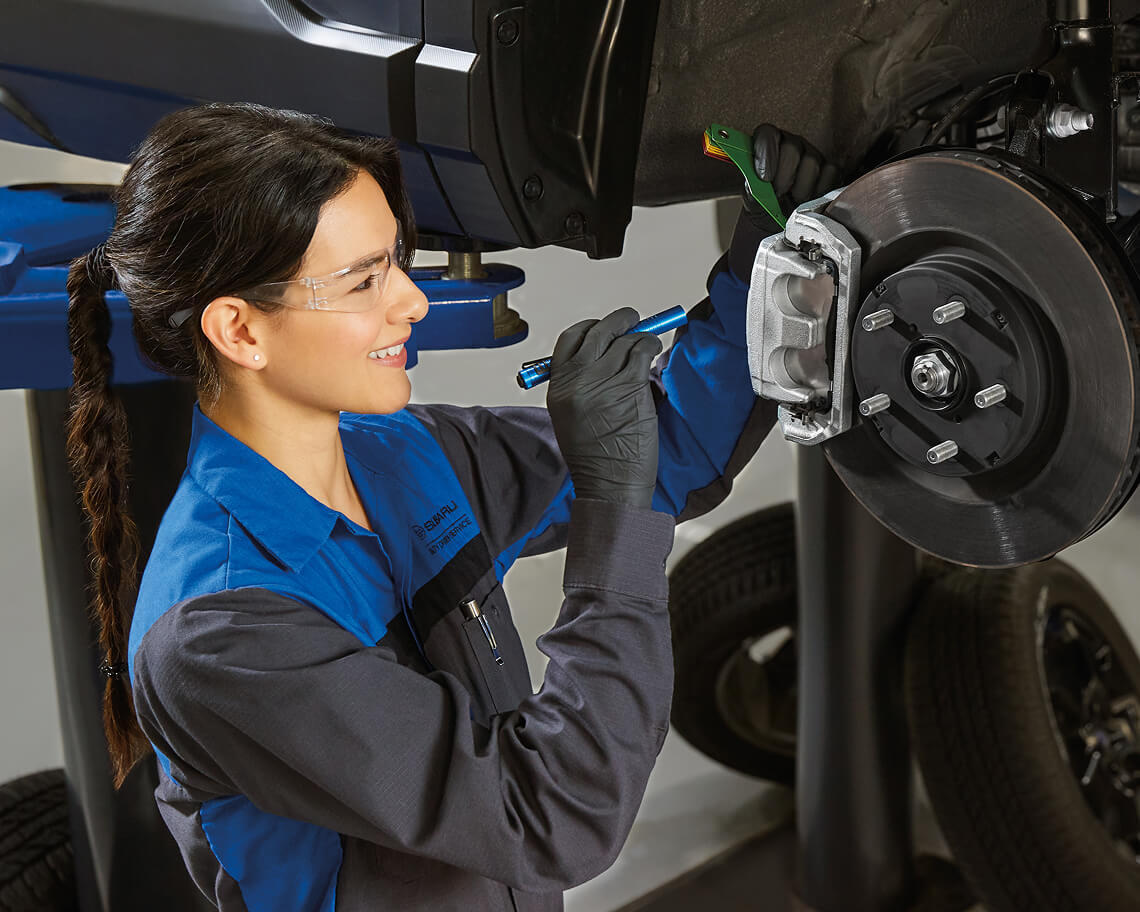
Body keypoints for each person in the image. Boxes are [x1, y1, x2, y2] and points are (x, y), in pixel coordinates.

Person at [64, 103, 838, 911]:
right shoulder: (221, 637)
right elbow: (549, 817)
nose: (412, 302)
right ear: (241, 331)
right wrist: (611, 518)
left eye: (397, 261)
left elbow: (670, 452)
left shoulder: (402, 454)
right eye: (364, 279)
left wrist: (767, 260)